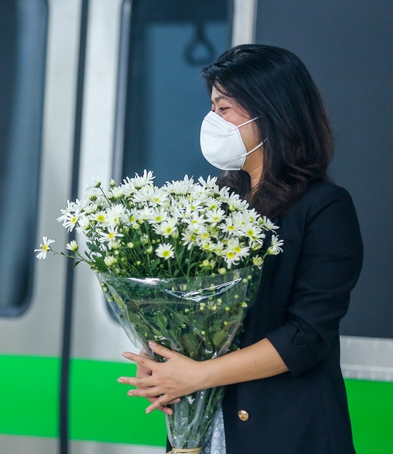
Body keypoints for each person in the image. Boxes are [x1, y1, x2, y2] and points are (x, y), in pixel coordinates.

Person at [118, 44, 364, 453]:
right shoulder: (213, 202)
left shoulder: (324, 207)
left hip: (287, 434)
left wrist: (197, 375)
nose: (212, 121)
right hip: (210, 430)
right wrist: (167, 370)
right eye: (212, 107)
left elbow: (306, 336)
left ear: (271, 113)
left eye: (224, 108)